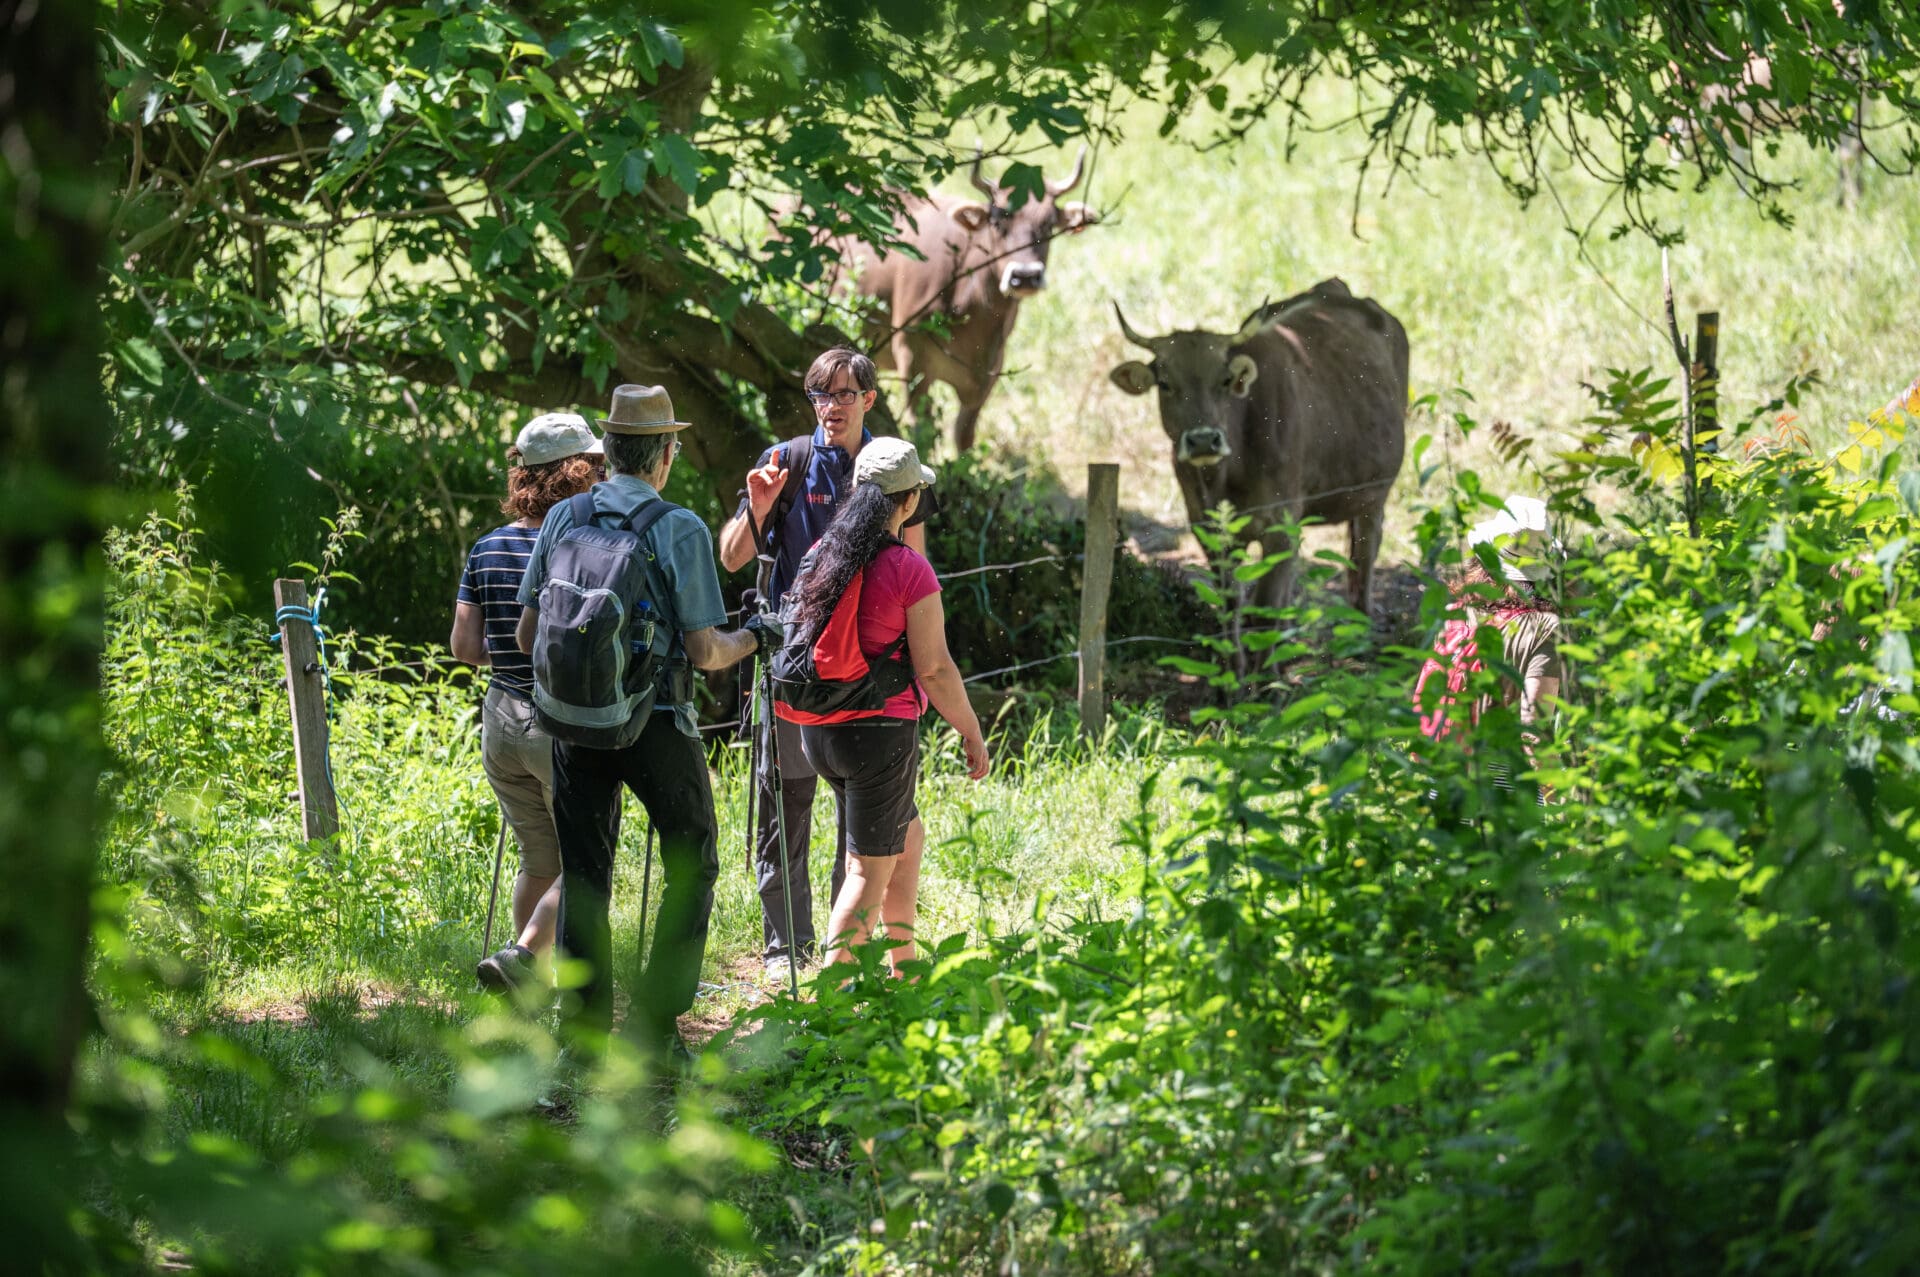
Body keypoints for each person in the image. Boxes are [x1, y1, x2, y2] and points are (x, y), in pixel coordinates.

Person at [514, 384, 778, 1061]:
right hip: (656, 719)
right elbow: (706, 652)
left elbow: (525, 634)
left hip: (572, 720)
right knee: (692, 858)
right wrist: (755, 636)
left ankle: (580, 1034)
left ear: (608, 453)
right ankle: (659, 1027)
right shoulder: (679, 527)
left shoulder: (563, 518)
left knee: (582, 872)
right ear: (662, 454)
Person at [717, 348, 935, 981]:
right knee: (783, 802)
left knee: (860, 812)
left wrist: (918, 663)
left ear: (870, 399)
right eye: (820, 395)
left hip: (869, 672)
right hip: (797, 669)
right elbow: (732, 558)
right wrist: (758, 509)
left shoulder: (895, 469)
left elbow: (915, 573)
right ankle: (786, 947)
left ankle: (852, 947)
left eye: (844, 395)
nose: (830, 407)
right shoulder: (786, 461)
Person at [775, 437, 989, 973]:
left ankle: (905, 970)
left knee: (905, 836)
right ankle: (830, 1004)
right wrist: (971, 730)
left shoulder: (821, 555)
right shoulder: (908, 568)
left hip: (818, 731)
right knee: (867, 871)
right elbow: (935, 669)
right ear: (910, 499)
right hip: (877, 736)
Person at [450, 413, 602, 994]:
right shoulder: (578, 545)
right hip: (557, 722)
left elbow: (464, 646)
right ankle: (522, 954)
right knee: (586, 862)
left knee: (538, 859)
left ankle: (525, 993)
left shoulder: (487, 547)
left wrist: (511, 660)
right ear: (576, 471)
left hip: (499, 721)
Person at [1414, 495, 1564, 796]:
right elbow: (1533, 729)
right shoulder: (1544, 629)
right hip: (1502, 789)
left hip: (1445, 777)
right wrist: (1559, 798)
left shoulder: (1458, 615)